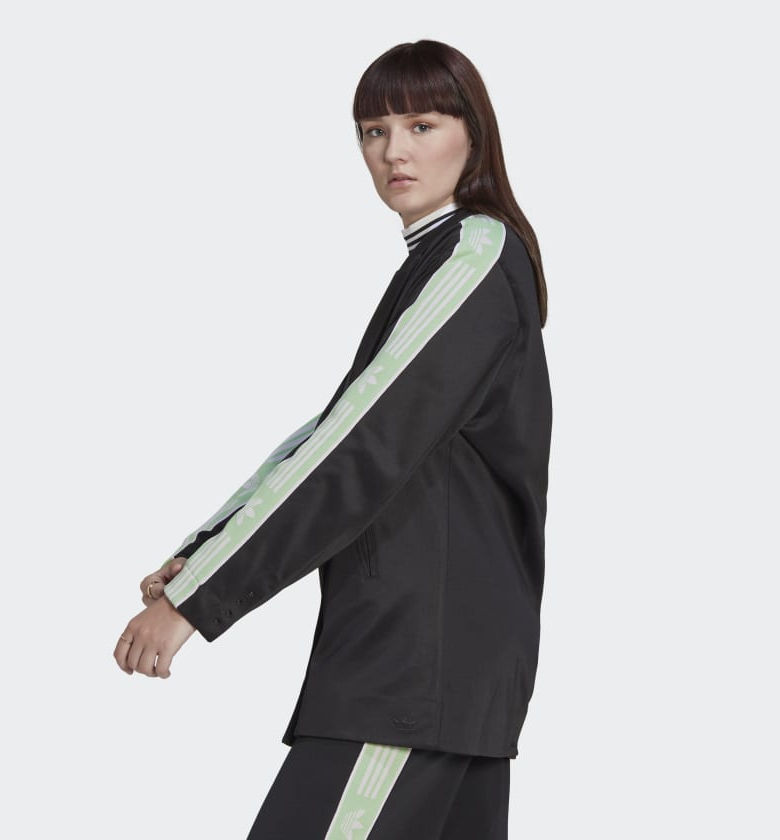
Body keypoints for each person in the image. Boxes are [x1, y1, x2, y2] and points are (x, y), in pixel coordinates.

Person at [114, 38, 551, 839]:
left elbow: (361, 444)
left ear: (473, 135)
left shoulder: (474, 253)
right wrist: (205, 547)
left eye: (421, 125)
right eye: (373, 131)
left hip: (412, 669)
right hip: (444, 671)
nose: (393, 152)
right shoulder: (443, 262)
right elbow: (338, 427)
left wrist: (198, 597)